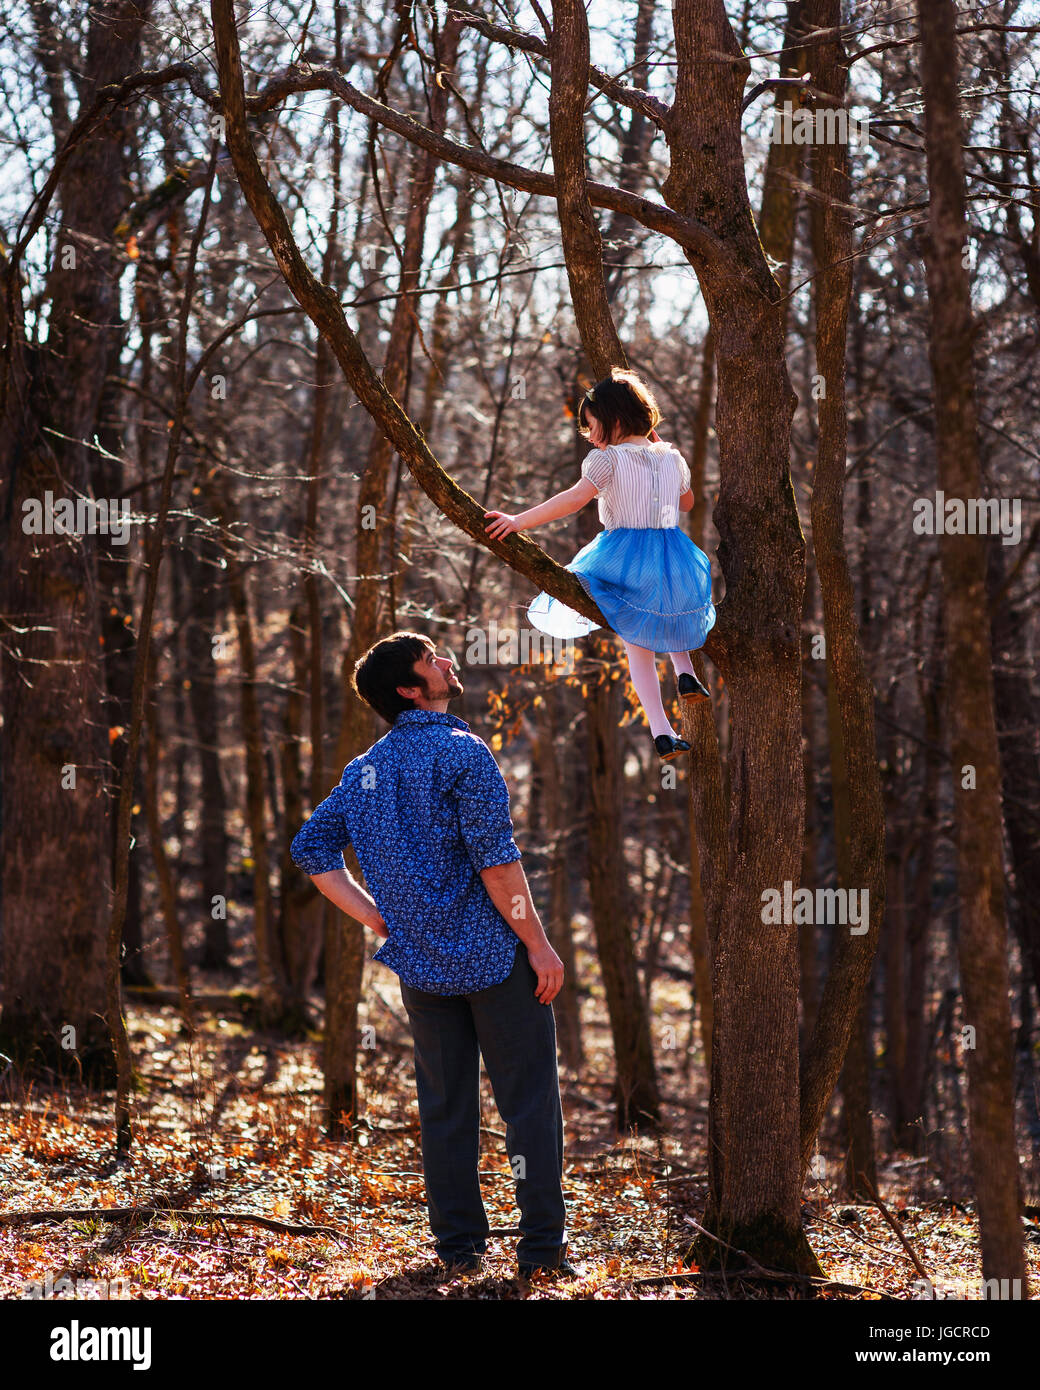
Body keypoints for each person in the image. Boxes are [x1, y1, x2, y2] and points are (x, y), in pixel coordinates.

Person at [289, 631, 575, 1280]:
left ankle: (459, 1250)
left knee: (446, 1109)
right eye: (432, 659)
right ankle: (542, 1253)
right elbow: (499, 865)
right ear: (411, 689)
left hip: (420, 968)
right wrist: (539, 943)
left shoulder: (362, 771)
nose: (448, 661)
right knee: (529, 1105)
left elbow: (312, 850)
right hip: (496, 962)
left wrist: (375, 917)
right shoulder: (462, 752)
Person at [485, 367, 716, 761]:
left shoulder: (605, 461)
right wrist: (659, 455)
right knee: (675, 611)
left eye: (593, 426)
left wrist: (518, 521)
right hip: (673, 551)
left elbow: (574, 500)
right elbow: (688, 503)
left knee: (638, 643)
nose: (590, 437)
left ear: (617, 420)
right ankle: (687, 675)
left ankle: (662, 732)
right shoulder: (671, 458)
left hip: (625, 553)